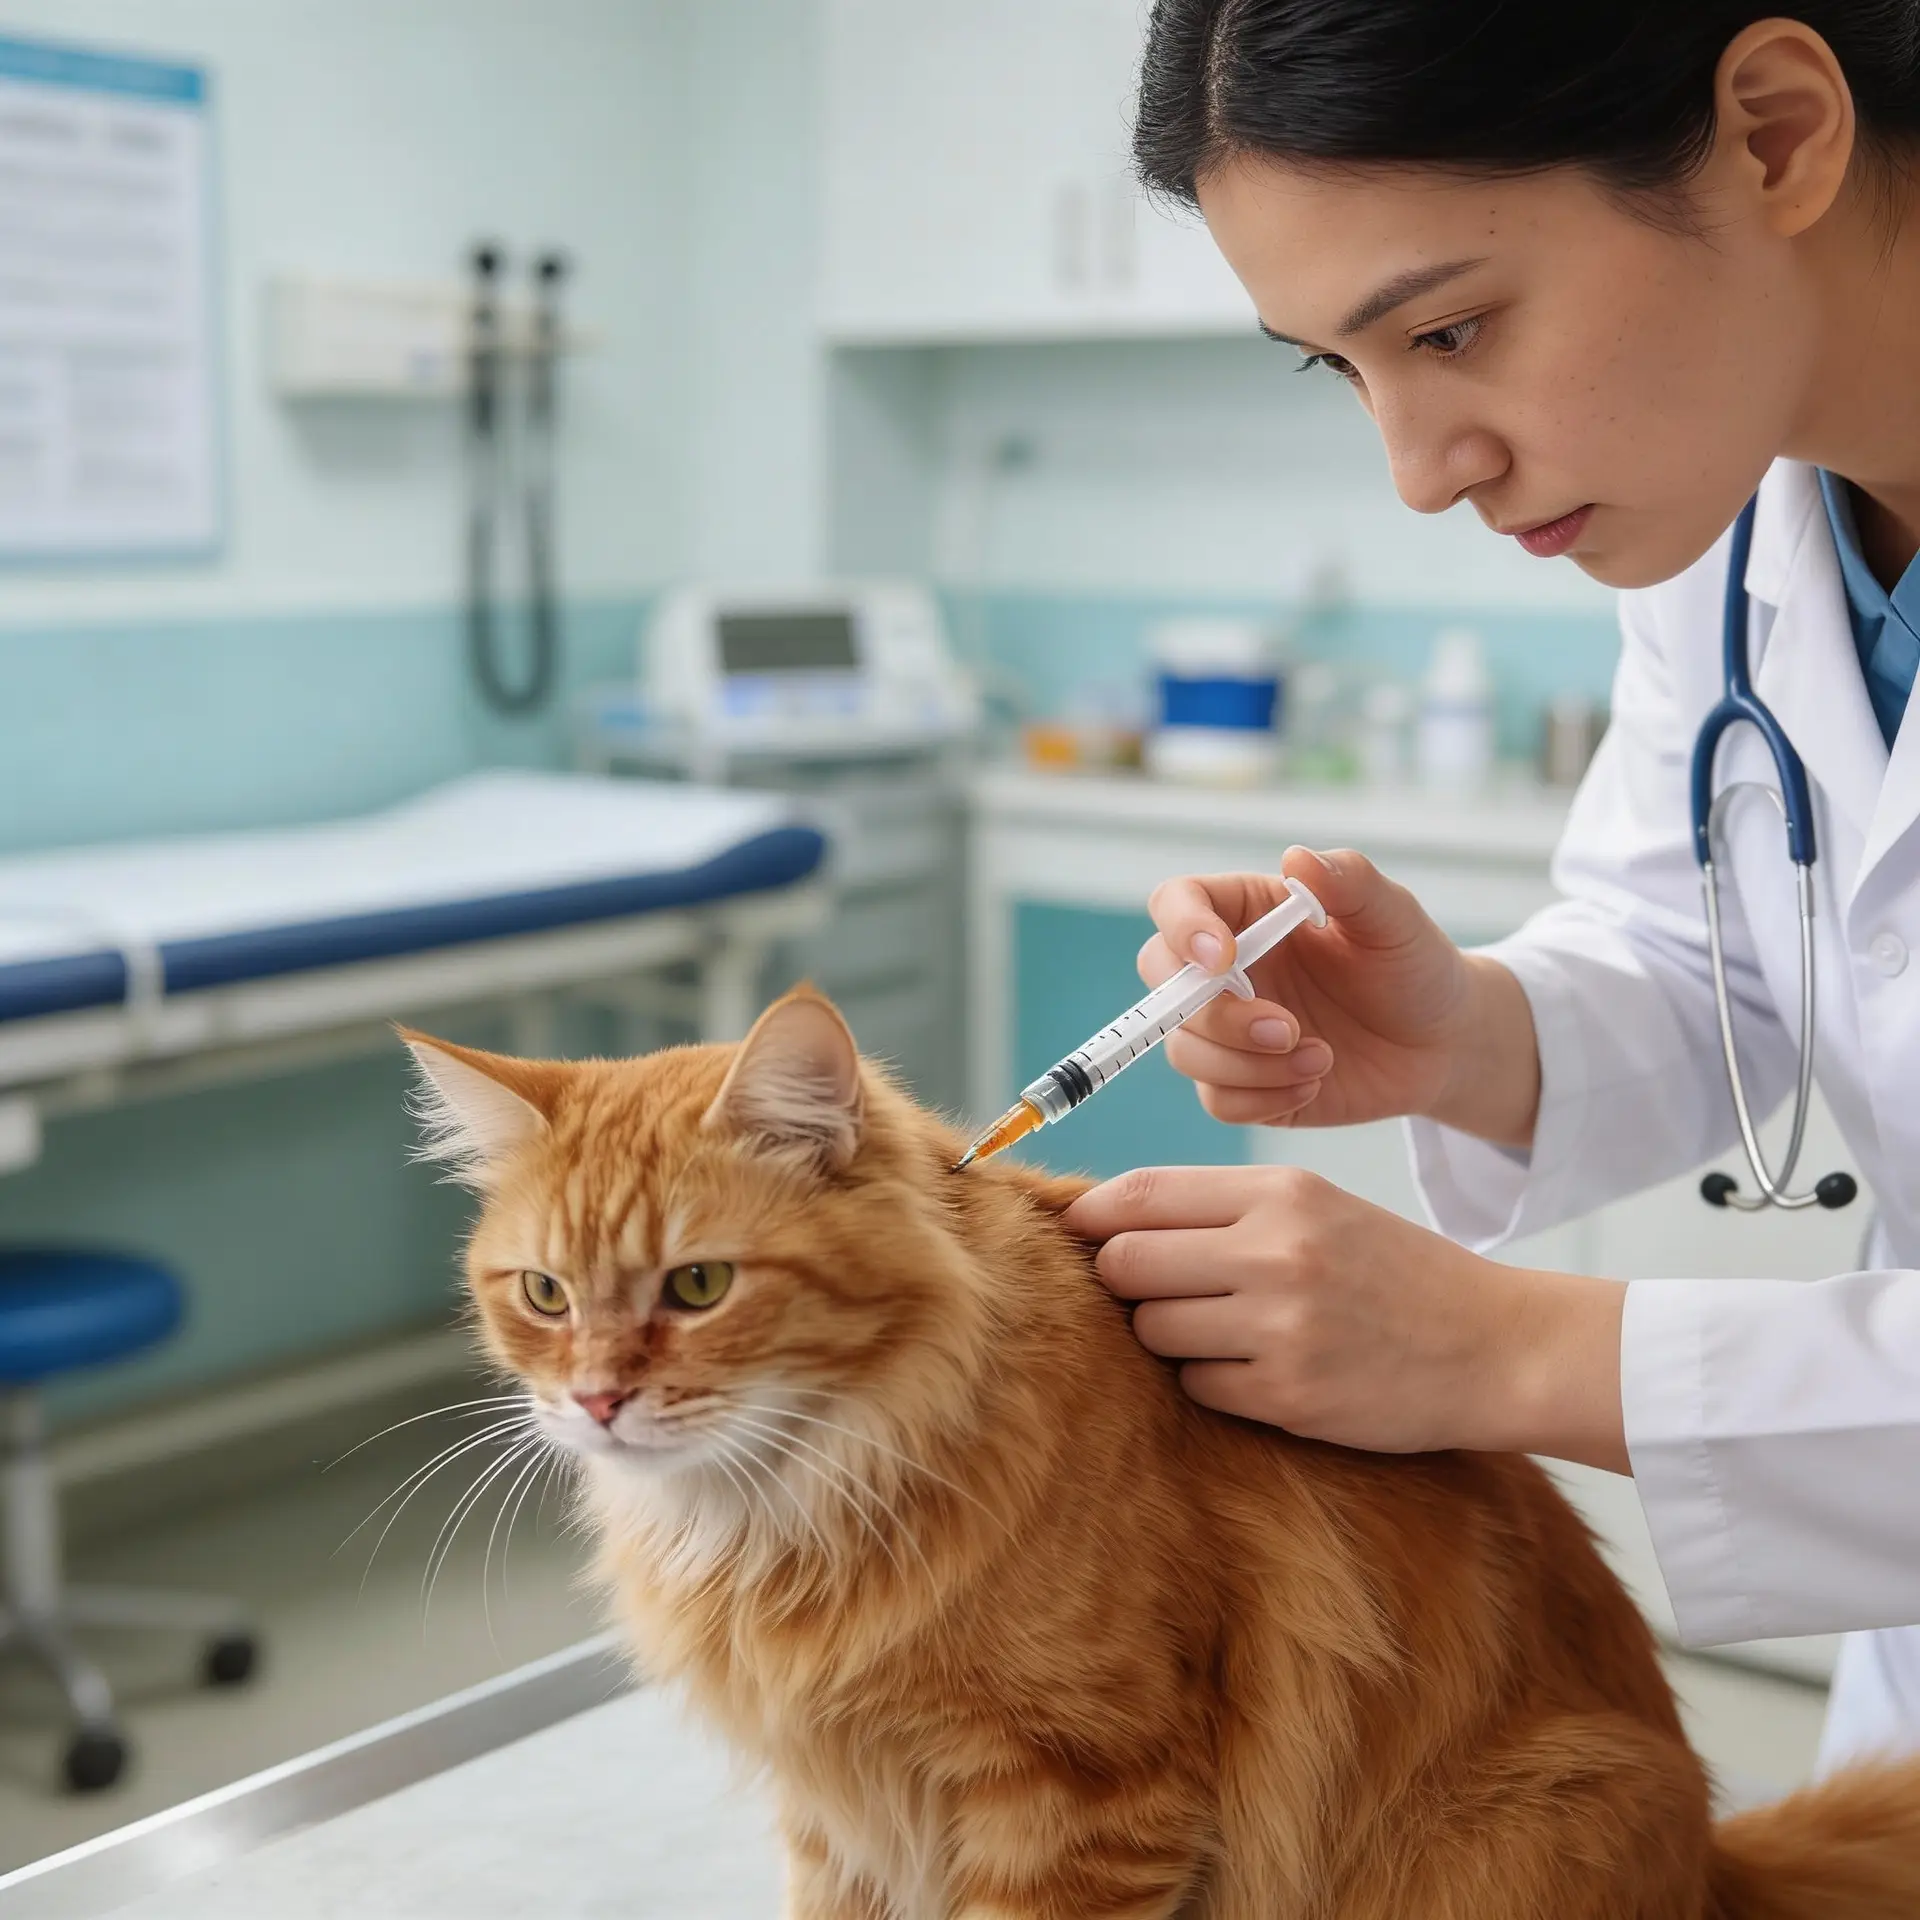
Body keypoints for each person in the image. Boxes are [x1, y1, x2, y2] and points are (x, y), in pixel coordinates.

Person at [1062, 0, 1920, 1773]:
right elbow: (1708, 948)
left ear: (1774, 132)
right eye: (1344, 367)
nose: (1419, 469)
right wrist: (1465, 1033)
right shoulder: (1727, 529)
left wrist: (1505, 1354)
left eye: (1450, 329)